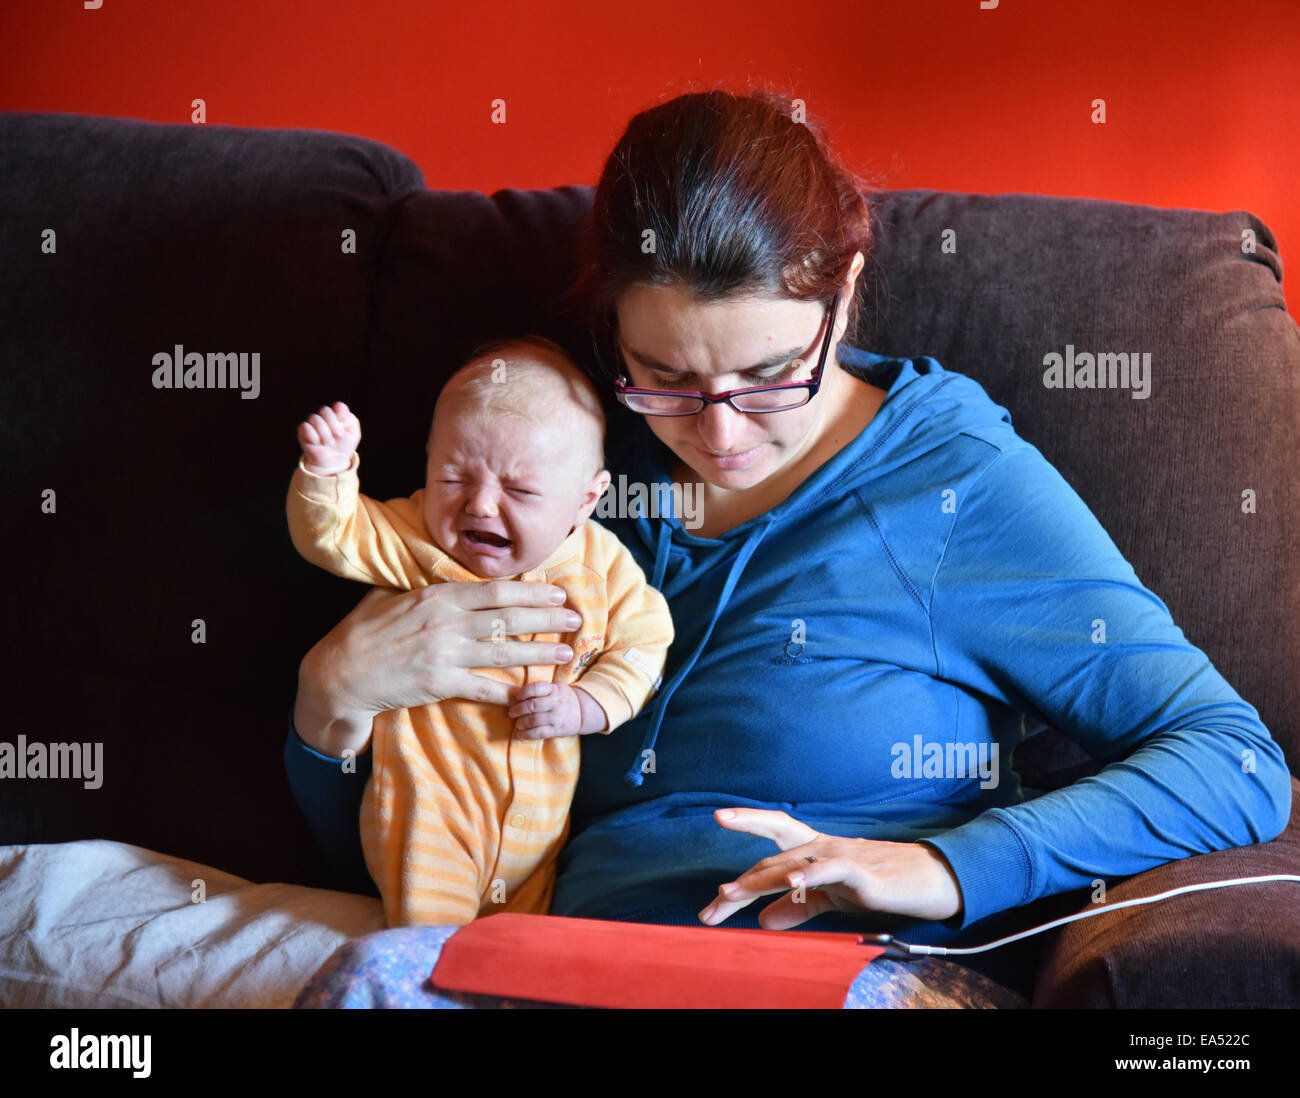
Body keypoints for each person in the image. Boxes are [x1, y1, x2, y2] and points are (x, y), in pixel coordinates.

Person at [285, 88, 1291, 1007]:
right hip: (567, 967)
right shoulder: (560, 469)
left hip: (847, 974)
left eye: (769, 375)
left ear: (843, 295)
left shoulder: (951, 478)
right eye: (665, 375)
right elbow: (410, 831)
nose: (719, 435)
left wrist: (944, 869)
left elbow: (1235, 765)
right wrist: (331, 706)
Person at [286, 345, 673, 928]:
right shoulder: (419, 538)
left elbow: (646, 643)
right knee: (435, 946)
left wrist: (587, 705)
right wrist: (329, 472)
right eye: (452, 476)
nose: (481, 504)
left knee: (515, 957)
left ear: (587, 499)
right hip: (429, 811)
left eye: (520, 491)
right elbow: (336, 535)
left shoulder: (603, 569)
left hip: (542, 833)